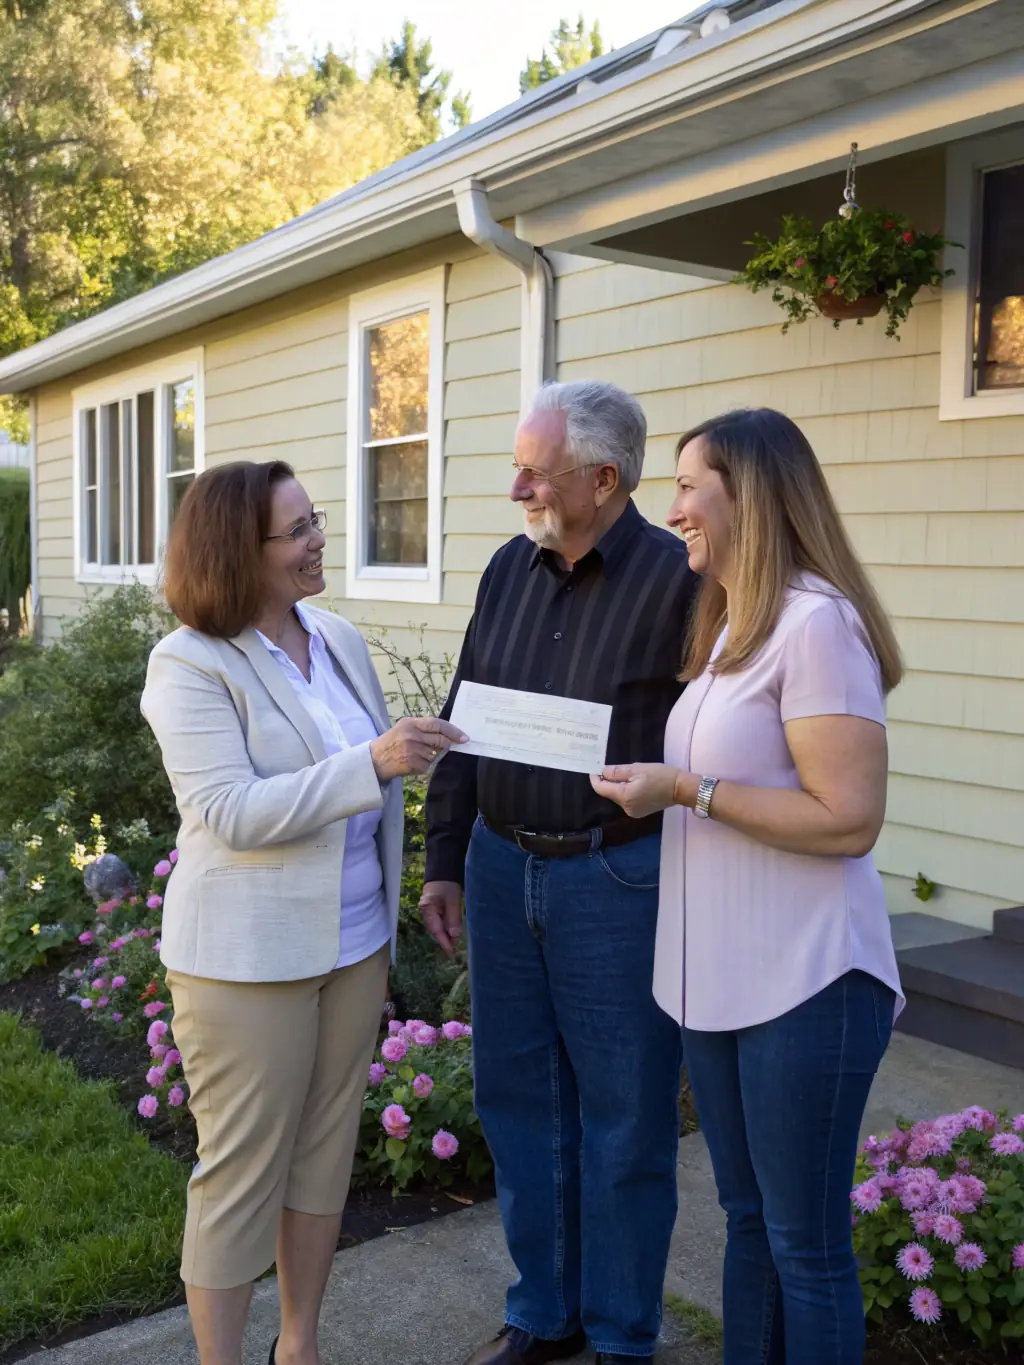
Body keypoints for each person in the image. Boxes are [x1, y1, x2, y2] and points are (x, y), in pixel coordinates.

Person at [593, 408, 904, 1365]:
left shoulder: (818, 625)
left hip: (807, 980)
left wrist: (689, 788)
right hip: (718, 981)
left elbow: (848, 817)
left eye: (689, 485)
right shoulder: (733, 627)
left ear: (750, 495)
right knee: (746, 1222)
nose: (673, 505)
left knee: (804, 1245)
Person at [140, 459, 463, 1365]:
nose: (320, 539)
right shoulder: (189, 662)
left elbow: (364, 767)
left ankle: (300, 1346)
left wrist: (406, 758)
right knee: (240, 1174)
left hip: (354, 943)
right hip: (245, 962)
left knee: (324, 1156)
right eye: (298, 530)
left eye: (315, 519)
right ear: (238, 552)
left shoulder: (337, 635)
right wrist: (375, 761)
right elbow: (231, 810)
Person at [421, 380, 698, 1365]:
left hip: (612, 883)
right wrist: (443, 860)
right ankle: (543, 1312)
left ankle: (623, 1333)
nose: (515, 489)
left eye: (533, 472)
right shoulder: (508, 567)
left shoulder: (680, 583)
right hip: (500, 872)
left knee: (624, 1116)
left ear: (604, 478)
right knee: (518, 1100)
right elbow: (460, 718)